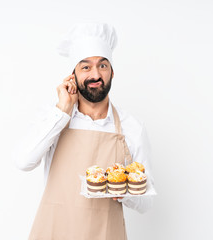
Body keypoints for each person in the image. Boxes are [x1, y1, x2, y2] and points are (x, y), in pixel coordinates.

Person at [13, 22, 155, 240]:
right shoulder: (54, 117)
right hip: (54, 232)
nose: (95, 74)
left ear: (112, 72)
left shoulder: (131, 127)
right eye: (86, 67)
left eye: (103, 65)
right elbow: (23, 161)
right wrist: (62, 111)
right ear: (73, 75)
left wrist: (122, 188)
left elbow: (147, 202)